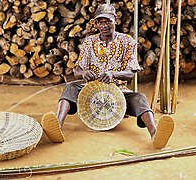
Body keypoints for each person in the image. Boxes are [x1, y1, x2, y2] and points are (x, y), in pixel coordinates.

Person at [41, 4, 174, 149]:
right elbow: (77, 69)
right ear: (96, 24)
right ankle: (57, 126)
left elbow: (132, 72)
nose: (104, 25)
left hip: (119, 93)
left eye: (107, 21)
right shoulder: (89, 42)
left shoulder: (127, 42)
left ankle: (155, 134)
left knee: (140, 98)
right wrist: (83, 72)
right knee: (70, 88)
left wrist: (114, 74)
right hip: (90, 91)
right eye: (100, 22)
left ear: (115, 20)